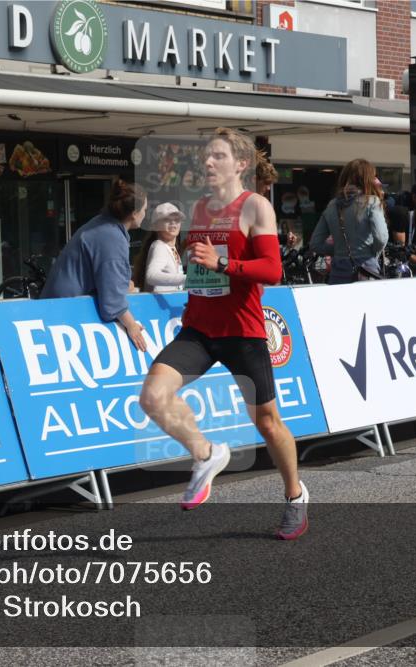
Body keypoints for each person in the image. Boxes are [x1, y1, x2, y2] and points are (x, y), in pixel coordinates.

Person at [138, 128, 308, 540]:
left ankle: (295, 495)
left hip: (242, 331)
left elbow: (271, 271)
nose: (208, 163)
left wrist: (221, 265)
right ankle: (207, 453)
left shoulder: (256, 207)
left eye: (217, 156)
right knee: (152, 397)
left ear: (241, 164)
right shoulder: (199, 207)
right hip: (199, 328)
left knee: (267, 423)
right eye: (206, 156)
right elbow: (199, 267)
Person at [39, 179, 148, 351]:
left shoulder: (102, 225)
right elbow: (112, 302)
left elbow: (105, 279)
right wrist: (132, 325)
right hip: (64, 316)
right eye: (144, 210)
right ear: (134, 213)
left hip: (56, 309)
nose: (145, 214)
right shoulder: (112, 237)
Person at [309, 158, 389, 284]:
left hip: (338, 273)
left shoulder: (332, 205)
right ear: (367, 179)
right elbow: (381, 237)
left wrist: (339, 250)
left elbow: (315, 244)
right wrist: (371, 253)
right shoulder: (372, 201)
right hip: (366, 270)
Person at [132, 202, 186, 293]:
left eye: (177, 219)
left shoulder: (169, 247)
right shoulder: (159, 246)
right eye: (166, 219)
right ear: (155, 226)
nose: (173, 222)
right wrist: (188, 279)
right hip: (158, 306)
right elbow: (151, 276)